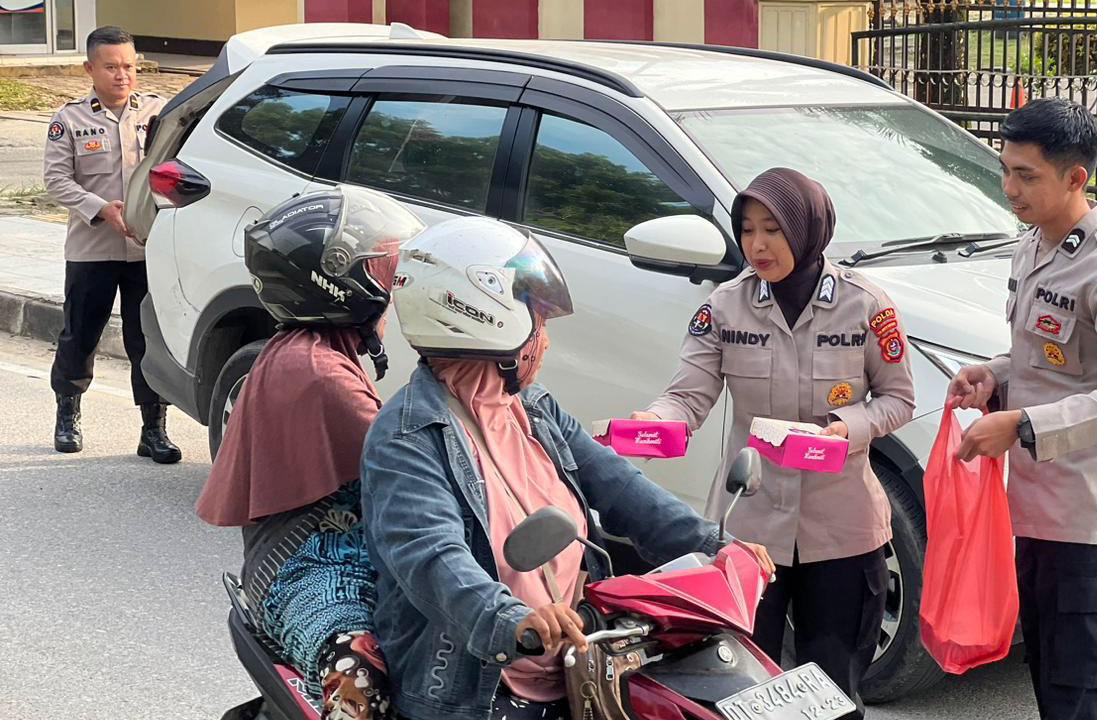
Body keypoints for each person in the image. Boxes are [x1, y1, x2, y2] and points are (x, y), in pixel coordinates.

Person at [359, 217, 774, 720]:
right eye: (538, 321)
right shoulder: (406, 437)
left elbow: (622, 489)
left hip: (582, 654)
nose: (546, 342)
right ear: (484, 317)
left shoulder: (533, 408)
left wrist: (714, 545)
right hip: (474, 690)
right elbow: (429, 556)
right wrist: (511, 620)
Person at [633, 167, 916, 714]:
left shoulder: (867, 306)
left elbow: (897, 399)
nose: (757, 245)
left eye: (773, 230)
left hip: (841, 529)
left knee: (832, 692)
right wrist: (654, 421)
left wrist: (843, 429)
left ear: (808, 229)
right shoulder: (725, 307)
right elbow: (688, 395)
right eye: (747, 230)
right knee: (740, 687)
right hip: (749, 528)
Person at [947, 98, 1097, 720]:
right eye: (1005, 170)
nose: (1009, 188)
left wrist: (1021, 425)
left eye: (1027, 176)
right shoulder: (1032, 249)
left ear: (1077, 178)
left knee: (1084, 702)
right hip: (1035, 513)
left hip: (1092, 524)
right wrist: (994, 376)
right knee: (1052, 691)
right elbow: (1047, 362)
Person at [194, 186, 424, 720]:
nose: (394, 285)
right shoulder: (322, 375)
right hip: (308, 570)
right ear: (338, 282)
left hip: (340, 550)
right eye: (382, 269)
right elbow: (410, 472)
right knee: (359, 678)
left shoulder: (308, 351)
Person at [42, 26, 176, 461]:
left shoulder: (160, 113)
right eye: (112, 67)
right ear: (90, 68)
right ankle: (67, 414)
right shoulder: (70, 119)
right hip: (91, 251)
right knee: (79, 336)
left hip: (144, 250)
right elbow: (56, 181)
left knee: (147, 341)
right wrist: (102, 208)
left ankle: (153, 429)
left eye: (130, 66)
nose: (123, 75)